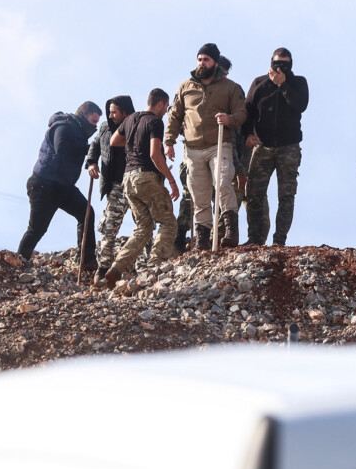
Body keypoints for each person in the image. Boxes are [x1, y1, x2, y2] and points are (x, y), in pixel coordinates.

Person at [165, 43, 247, 249]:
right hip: (192, 149)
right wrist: (169, 142)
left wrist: (229, 119)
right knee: (199, 194)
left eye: (206, 60)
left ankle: (230, 231)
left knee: (223, 183)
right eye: (199, 59)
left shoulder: (231, 87)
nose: (202, 63)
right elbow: (175, 115)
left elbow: (242, 113)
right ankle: (202, 240)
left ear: (215, 63)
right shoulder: (185, 87)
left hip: (219, 144)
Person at [103, 89, 180, 288]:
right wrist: (171, 180)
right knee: (168, 222)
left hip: (128, 179)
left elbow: (114, 141)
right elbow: (155, 155)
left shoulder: (130, 119)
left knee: (143, 228)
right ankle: (155, 266)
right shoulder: (155, 122)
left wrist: (133, 145)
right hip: (147, 177)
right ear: (160, 103)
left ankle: (116, 268)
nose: (165, 111)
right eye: (166, 106)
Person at [17, 101, 102, 269]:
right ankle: (17, 264)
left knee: (86, 213)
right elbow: (62, 148)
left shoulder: (78, 132)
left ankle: (87, 260)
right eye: (93, 121)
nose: (94, 127)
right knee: (36, 229)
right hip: (43, 185)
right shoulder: (64, 126)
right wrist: (90, 148)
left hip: (63, 187)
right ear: (83, 116)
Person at [243, 48, 309, 246]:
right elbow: (248, 110)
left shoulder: (298, 82)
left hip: (289, 147)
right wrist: (248, 134)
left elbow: (301, 105)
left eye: (285, 64)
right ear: (271, 62)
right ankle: (254, 240)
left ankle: (279, 240)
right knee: (254, 193)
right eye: (277, 63)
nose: (280, 68)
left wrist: (283, 85)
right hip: (263, 146)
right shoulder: (259, 83)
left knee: (286, 195)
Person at [85, 95, 135, 279]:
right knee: (109, 227)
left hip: (136, 184)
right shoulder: (105, 127)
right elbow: (95, 145)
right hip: (115, 185)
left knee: (144, 225)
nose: (111, 115)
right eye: (110, 112)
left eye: (114, 112)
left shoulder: (137, 125)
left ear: (125, 112)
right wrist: (91, 162)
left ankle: (146, 265)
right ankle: (103, 268)